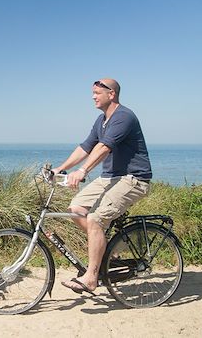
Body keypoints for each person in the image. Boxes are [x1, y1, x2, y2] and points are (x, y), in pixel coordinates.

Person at [51, 78, 152, 295]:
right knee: (76, 209)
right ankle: (109, 249)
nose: (93, 96)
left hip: (133, 179)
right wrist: (59, 169)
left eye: (97, 92)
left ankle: (91, 277)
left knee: (95, 219)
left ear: (112, 94)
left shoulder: (124, 117)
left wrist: (83, 171)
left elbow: (104, 148)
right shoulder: (101, 120)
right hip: (110, 178)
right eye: (93, 93)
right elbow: (86, 147)